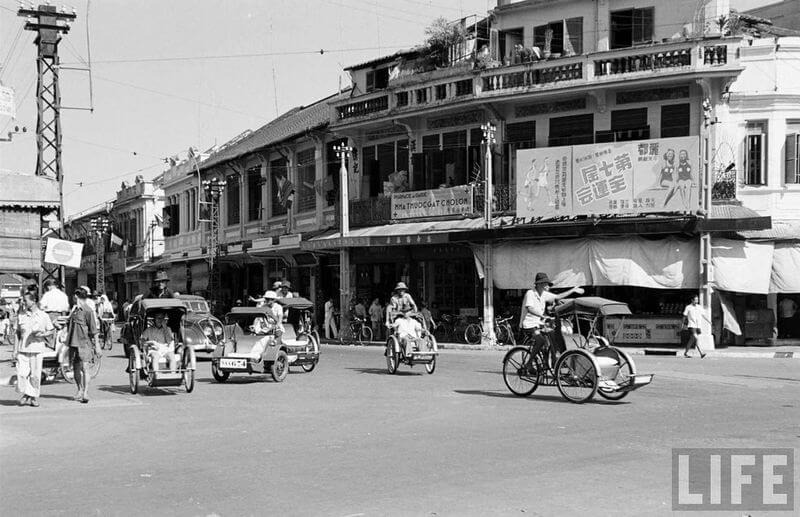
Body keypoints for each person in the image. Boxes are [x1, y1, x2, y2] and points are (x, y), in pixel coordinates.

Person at [519, 272, 584, 365]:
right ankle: (528, 364)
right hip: (528, 324)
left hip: (538, 323)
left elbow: (557, 297)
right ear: (539, 284)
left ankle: (552, 361)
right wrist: (543, 316)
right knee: (540, 341)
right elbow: (530, 308)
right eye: (545, 284)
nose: (547, 286)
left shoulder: (544, 294)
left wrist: (573, 290)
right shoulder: (530, 293)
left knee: (553, 334)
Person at [14, 290, 54, 407]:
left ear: (34, 301)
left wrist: (42, 335)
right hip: (23, 349)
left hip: (37, 348)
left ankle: (32, 397)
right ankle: (26, 394)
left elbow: (51, 330)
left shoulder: (43, 315)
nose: (23, 303)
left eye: (25, 300)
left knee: (35, 375)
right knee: (21, 373)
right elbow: (17, 333)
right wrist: (15, 350)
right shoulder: (21, 315)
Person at [66, 288, 100, 403]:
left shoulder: (88, 311)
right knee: (75, 368)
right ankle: (79, 389)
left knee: (85, 368)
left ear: (76, 296)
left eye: (73, 297)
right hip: (73, 343)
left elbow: (94, 330)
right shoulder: (74, 310)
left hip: (84, 343)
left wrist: (98, 346)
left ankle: (85, 392)